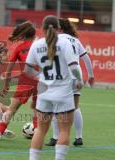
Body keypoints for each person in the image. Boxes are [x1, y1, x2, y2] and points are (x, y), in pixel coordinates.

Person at [25, 15, 83, 160]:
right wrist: (79, 80)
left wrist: (41, 76)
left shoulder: (36, 44)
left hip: (44, 94)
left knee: (40, 130)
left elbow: (27, 70)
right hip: (63, 94)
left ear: (42, 29)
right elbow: (74, 66)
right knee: (64, 131)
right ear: (58, 29)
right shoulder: (64, 44)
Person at [46, 18, 94, 147]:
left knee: (55, 107)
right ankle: (79, 138)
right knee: (75, 107)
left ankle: (56, 138)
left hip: (61, 75)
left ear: (59, 28)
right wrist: (90, 75)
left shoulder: (56, 39)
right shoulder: (75, 41)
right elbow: (86, 58)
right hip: (75, 74)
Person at [0, 21, 38, 146]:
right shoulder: (39, 46)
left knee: (11, 110)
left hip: (25, 82)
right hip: (40, 81)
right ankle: (37, 137)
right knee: (37, 111)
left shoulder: (19, 48)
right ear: (34, 34)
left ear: (23, 34)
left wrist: (6, 85)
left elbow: (9, 69)